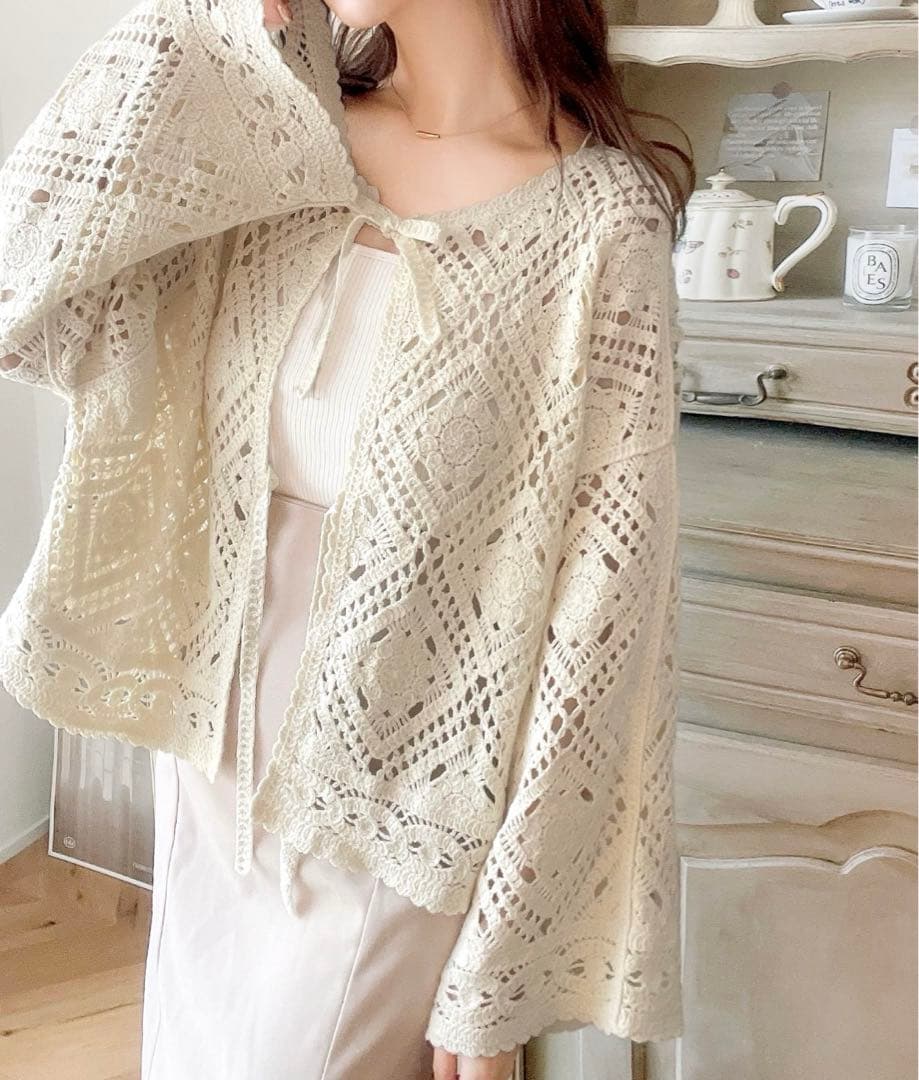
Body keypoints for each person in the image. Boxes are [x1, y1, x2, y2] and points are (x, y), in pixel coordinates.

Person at [0, 1, 694, 1078]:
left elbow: (598, 634)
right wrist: (207, 22)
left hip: (404, 782)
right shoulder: (270, 130)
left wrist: (493, 976)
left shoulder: (599, 226)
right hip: (208, 726)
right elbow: (26, 274)